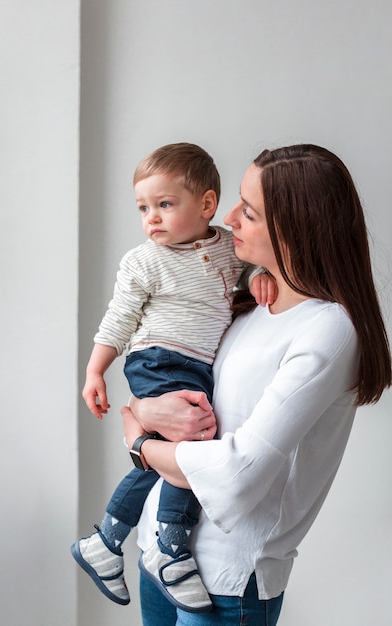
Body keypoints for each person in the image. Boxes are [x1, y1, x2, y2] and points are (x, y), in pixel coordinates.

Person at [120, 144, 392, 626]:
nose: (227, 217)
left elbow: (237, 474)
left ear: (294, 227)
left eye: (248, 211)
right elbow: (170, 378)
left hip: (227, 580)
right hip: (159, 555)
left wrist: (140, 443)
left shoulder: (328, 330)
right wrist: (143, 410)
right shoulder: (245, 300)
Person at [71, 143, 275, 613]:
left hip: (194, 365)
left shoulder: (226, 245)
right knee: (192, 448)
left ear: (205, 205)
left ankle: (106, 540)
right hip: (157, 359)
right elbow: (117, 320)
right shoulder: (143, 262)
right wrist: (94, 370)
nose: (152, 218)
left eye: (165, 204)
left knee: (168, 454)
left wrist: (262, 276)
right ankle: (171, 547)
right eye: (143, 208)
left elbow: (253, 271)